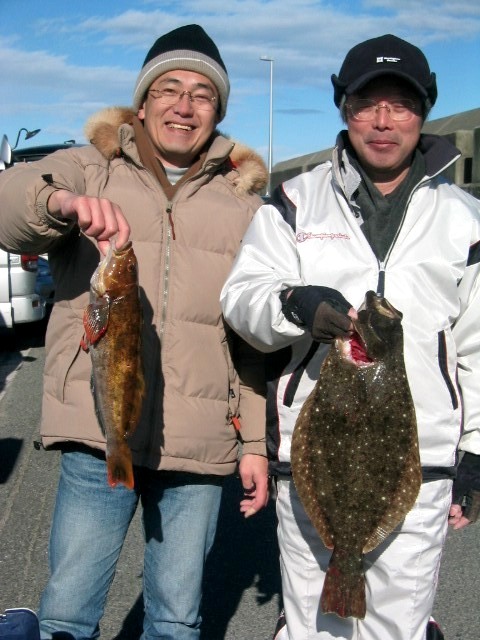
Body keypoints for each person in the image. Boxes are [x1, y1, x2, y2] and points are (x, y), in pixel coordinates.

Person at [0, 24, 269, 640]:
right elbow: (9, 202)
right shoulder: (90, 168)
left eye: (202, 94)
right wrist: (57, 206)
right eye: (168, 89)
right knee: (67, 612)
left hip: (197, 445)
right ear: (142, 104)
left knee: (176, 620)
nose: (183, 105)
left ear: (218, 112)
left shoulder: (247, 207)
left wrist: (253, 443)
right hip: (100, 436)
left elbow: (253, 342)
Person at [221, 33, 480, 640]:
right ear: (343, 108)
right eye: (368, 103)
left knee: (396, 627)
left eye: (402, 104)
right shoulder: (294, 202)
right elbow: (241, 298)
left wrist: (477, 447)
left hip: (421, 465)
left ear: (425, 112)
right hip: (312, 463)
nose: (384, 121)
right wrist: (293, 303)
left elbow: (477, 343)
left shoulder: (464, 219)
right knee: (315, 628)